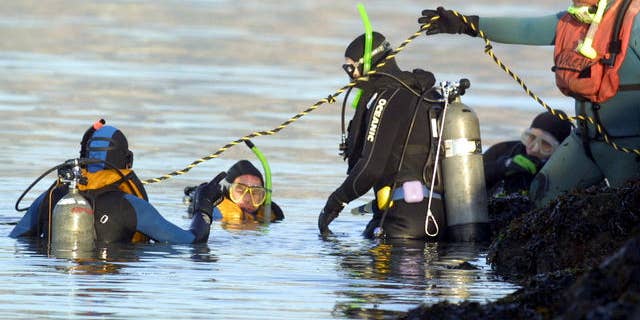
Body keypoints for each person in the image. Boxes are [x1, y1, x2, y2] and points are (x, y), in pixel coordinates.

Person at [419, 0, 640, 207]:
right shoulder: (576, 19)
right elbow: (526, 28)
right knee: (543, 193)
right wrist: (466, 24)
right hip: (584, 141)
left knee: (627, 208)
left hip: (627, 147)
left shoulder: (635, 20)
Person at [317, 31, 447, 240]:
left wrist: (334, 204)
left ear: (368, 63)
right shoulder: (423, 93)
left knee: (346, 266)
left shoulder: (388, 98)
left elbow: (370, 168)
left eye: (350, 67)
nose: (350, 75)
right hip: (436, 217)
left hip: (403, 222)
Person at [10, 120, 222, 244]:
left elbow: (16, 237)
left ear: (84, 156)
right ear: (126, 160)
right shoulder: (131, 206)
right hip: (112, 264)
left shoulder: (53, 195)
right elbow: (190, 242)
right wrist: (203, 207)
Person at [484, 111, 573, 196]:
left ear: (558, 150)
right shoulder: (501, 150)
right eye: (532, 137)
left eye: (545, 144)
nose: (534, 149)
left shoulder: (563, 172)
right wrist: (503, 166)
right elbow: (471, 176)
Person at [187, 160, 284, 229]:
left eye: (255, 192)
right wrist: (203, 208)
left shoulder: (272, 215)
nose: (248, 199)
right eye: (240, 190)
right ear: (228, 191)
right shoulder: (216, 211)